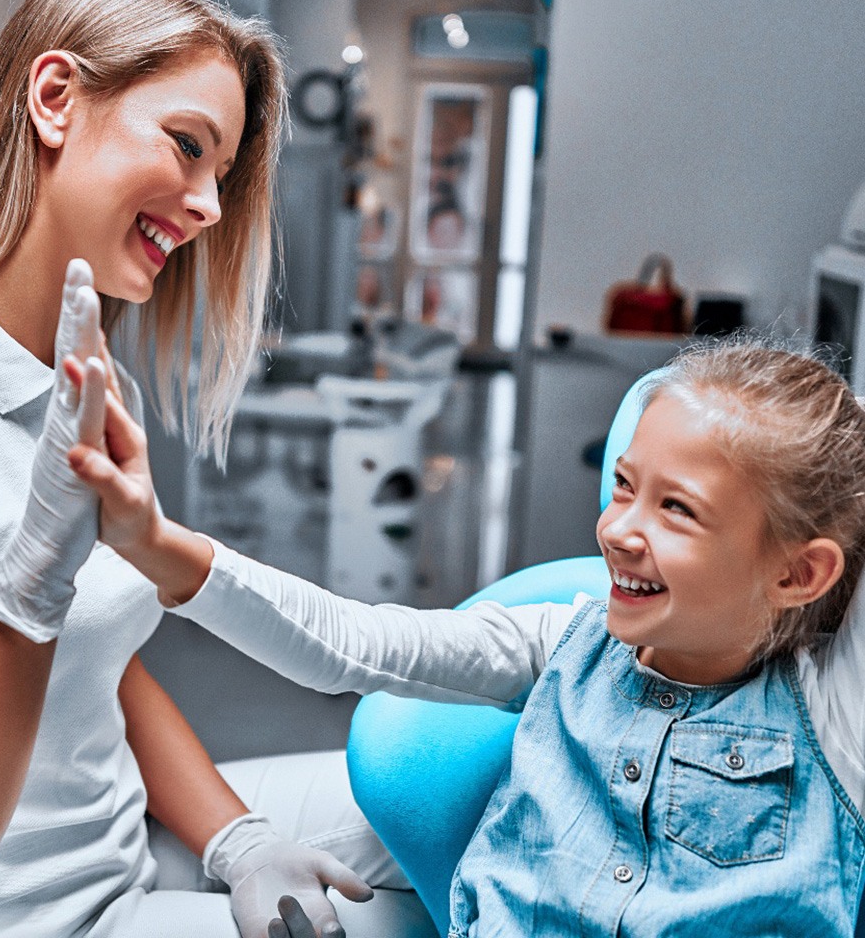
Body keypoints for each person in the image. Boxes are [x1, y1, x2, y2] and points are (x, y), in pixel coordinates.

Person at [0, 0, 409, 938]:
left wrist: (238, 839)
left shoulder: (83, 369)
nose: (210, 207)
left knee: (487, 807)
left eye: (220, 174)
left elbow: (103, 663)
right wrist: (29, 591)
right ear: (55, 97)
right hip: (29, 921)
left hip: (130, 853)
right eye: (188, 145)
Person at [65, 338, 865, 937]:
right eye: (624, 487)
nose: (619, 530)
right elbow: (355, 642)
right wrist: (157, 544)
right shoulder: (565, 647)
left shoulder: (834, 716)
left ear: (800, 574)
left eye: (677, 510)